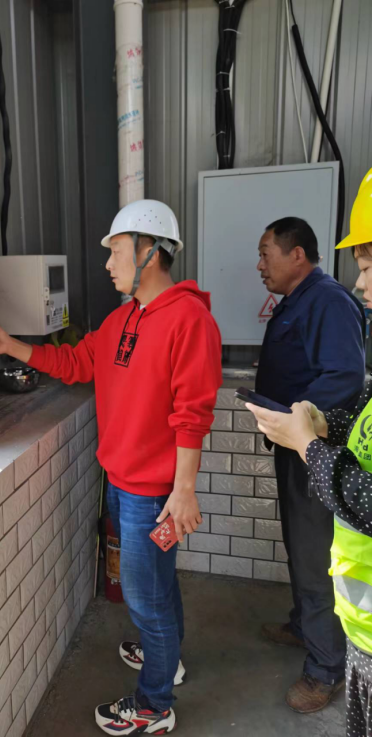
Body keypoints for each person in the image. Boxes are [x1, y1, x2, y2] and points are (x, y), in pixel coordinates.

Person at [0, 200, 222, 735]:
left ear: (149, 251)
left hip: (153, 494)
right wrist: (12, 346)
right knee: (157, 586)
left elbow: (192, 414)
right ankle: (166, 658)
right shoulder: (123, 319)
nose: (108, 263)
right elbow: (75, 363)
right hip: (120, 483)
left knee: (145, 597)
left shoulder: (189, 320)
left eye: (116, 251)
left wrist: (184, 491)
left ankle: (154, 706)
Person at [246, 168, 372, 737]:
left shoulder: (326, 300)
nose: (260, 264)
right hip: (297, 448)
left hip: (318, 454)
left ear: (298, 254)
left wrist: (302, 426)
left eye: (266, 253)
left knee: (316, 554)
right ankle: (306, 626)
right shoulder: (297, 301)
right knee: (299, 546)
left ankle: (325, 668)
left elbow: (343, 376)